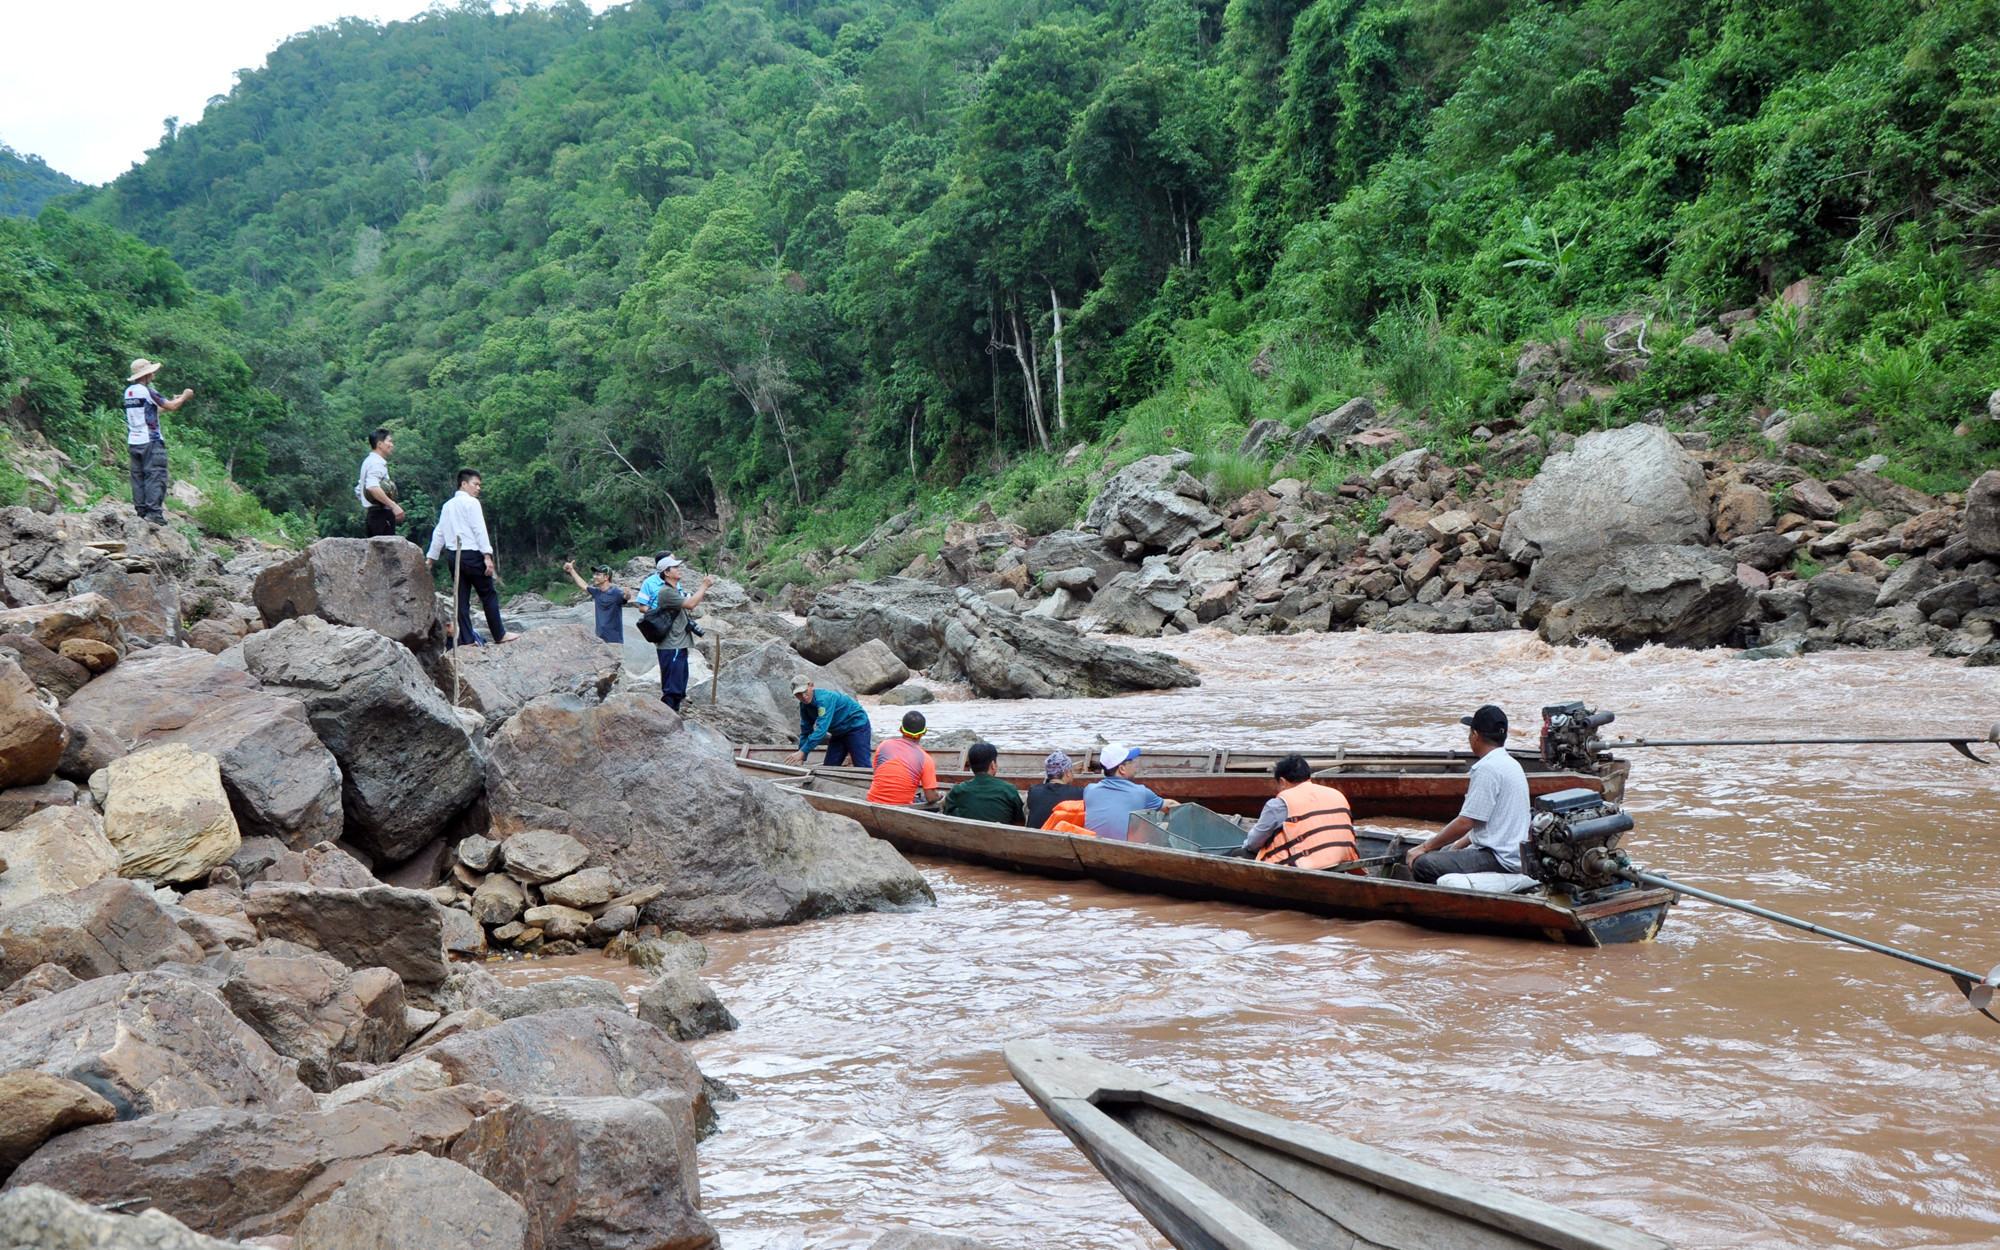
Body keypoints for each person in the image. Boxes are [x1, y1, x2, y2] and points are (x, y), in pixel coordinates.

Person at [1403, 705, 1532, 883]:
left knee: (1423, 864)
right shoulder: (1511, 764)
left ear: (1476, 736)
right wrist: (1456, 846)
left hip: (1499, 859)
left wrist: (1424, 847)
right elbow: (1487, 825)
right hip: (1514, 855)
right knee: (1445, 849)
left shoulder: (1487, 769)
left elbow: (1466, 822)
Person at [426, 469, 521, 648]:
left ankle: (466, 639)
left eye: (479, 485)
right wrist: (487, 556)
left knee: (461, 598)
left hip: (454, 556)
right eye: (475, 484)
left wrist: (431, 557)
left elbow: (439, 532)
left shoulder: (447, 505)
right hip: (471, 554)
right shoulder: (472, 503)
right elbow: (479, 530)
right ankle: (499, 634)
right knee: (488, 594)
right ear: (463, 484)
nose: (478, 488)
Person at [1237, 754, 1356, 869]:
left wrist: (1246, 845)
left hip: (1304, 866)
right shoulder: (1336, 794)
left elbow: (1253, 843)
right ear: (1308, 778)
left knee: (1238, 854)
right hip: (1342, 858)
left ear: (1283, 782)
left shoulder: (1279, 804)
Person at [636, 553, 714, 710]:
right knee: (672, 689)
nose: (679, 569)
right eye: (675, 567)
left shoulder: (673, 589)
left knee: (678, 687)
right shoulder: (666, 592)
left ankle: (674, 717)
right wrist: (704, 586)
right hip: (671, 645)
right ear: (666, 572)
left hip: (678, 644)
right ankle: (668, 721)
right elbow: (690, 604)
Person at [121, 358, 191, 525]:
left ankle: (142, 511)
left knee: (139, 477)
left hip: (134, 441)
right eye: (151, 372)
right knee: (155, 475)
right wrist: (184, 397)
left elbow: (152, 411)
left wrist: (174, 401)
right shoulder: (148, 391)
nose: (153, 374)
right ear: (146, 374)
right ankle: (154, 514)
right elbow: (172, 406)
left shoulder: (129, 392)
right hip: (150, 441)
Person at [1082, 743, 1171, 840]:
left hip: (1094, 849)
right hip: (1127, 852)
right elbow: (1170, 806)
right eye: (1131, 762)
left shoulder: (1089, 790)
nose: (1134, 765)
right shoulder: (1141, 793)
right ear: (1122, 769)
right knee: (1161, 821)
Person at [786, 678, 872, 766]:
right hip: (838, 732)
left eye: (805, 691)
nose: (804, 696)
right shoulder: (804, 706)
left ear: (811, 686)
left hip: (856, 726)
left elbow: (821, 730)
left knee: (862, 765)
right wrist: (802, 757)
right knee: (829, 765)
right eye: (799, 694)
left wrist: (803, 752)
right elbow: (806, 731)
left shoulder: (824, 700)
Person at [942, 742, 1026, 825]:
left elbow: (947, 815)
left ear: (971, 765)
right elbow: (1020, 823)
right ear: (993, 764)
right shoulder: (1009, 790)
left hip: (968, 836)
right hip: (1001, 837)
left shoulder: (958, 790)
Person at [864, 710, 938, 805]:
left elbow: (876, 773)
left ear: (901, 729)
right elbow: (931, 797)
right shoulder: (926, 759)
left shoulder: (883, 746)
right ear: (924, 733)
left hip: (872, 801)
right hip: (902, 807)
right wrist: (940, 796)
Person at [567, 560, 632, 645]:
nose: (595, 577)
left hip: (614, 640)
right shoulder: (597, 593)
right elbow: (584, 585)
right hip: (600, 639)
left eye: (598, 574)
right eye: (595, 574)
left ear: (606, 577)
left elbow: (625, 597)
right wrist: (572, 570)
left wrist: (627, 594)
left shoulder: (616, 592)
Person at [355, 428, 405, 537]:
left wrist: (369, 506)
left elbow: (359, 489)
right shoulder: (376, 463)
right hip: (381, 514)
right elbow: (372, 487)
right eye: (389, 441)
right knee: (384, 552)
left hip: (374, 515)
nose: (392, 445)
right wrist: (393, 506)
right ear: (380, 444)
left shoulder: (369, 461)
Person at [1025, 751, 1086, 831]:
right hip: (1063, 841)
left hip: (1034, 840)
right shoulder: (1080, 793)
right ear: (1068, 773)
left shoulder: (1033, 791)